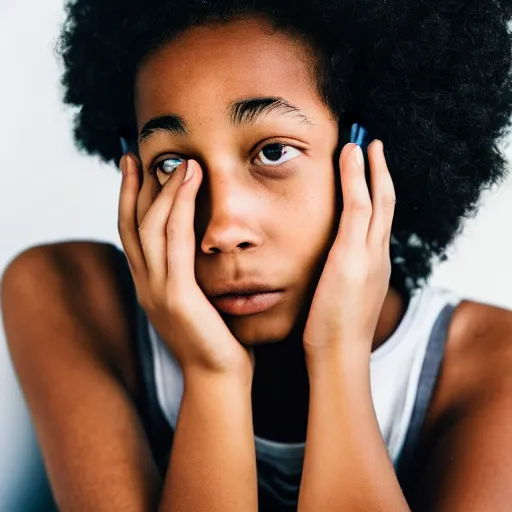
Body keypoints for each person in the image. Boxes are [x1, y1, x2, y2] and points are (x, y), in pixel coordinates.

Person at [2, 0, 512, 510]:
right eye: (172, 163)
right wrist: (212, 375)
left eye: (273, 152)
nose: (221, 229)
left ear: (374, 151)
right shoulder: (70, 297)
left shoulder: (492, 367)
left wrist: (339, 360)